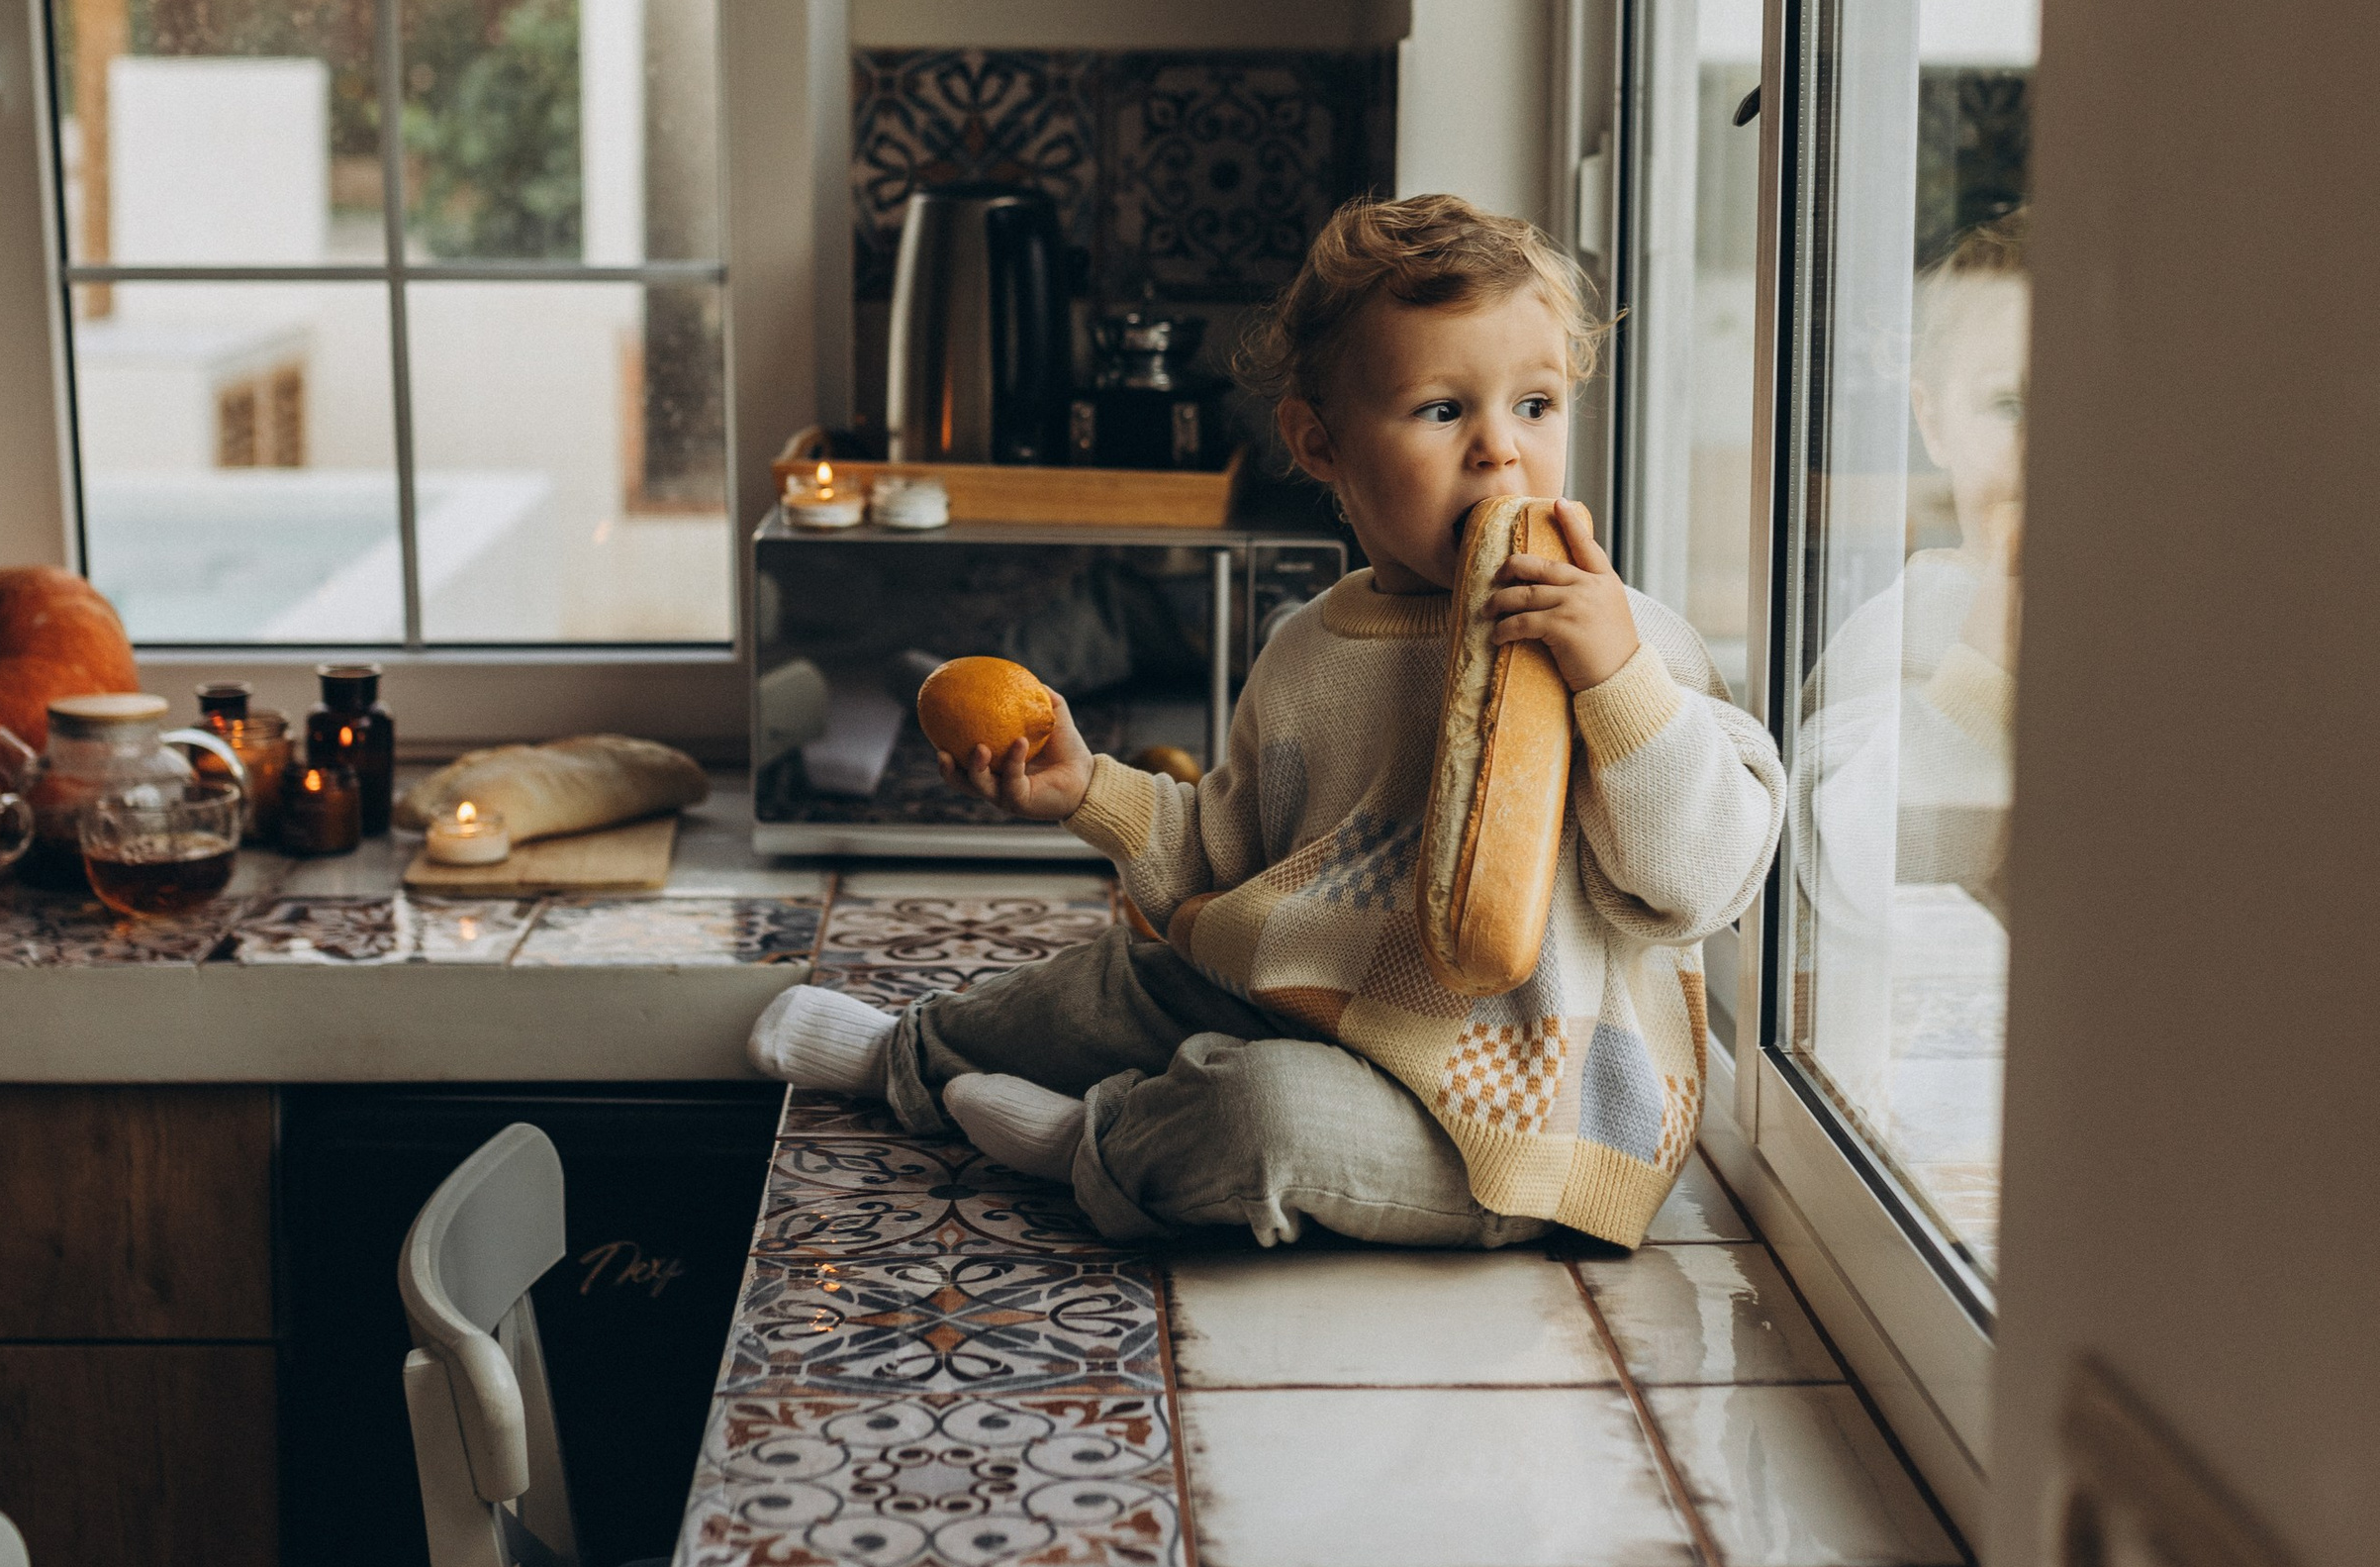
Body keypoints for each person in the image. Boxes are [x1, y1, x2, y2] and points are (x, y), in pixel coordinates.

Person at [748, 193, 1784, 1256]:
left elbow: (1702, 875)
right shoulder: (1307, 649)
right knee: (1129, 978)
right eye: (1441, 411)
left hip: (1514, 1126)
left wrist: (1616, 679)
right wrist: (1088, 789)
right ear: (1319, 443)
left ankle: (1092, 1146)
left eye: (1534, 405)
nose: (1498, 453)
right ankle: (906, 1056)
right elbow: (1229, 852)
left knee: (1261, 1116)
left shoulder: (1628, 647)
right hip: (1317, 1002)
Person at [1789, 210, 2028, 1160]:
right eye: (2009, 406)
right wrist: (1979, 678)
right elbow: (1853, 858)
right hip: (1932, 1113)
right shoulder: (1905, 628)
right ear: (1932, 419)